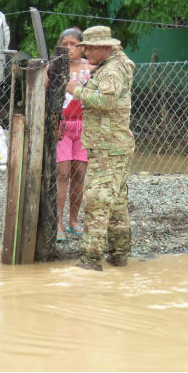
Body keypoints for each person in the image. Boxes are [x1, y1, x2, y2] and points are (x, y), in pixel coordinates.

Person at [65, 26, 135, 271]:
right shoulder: (119, 63)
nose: (86, 53)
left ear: (107, 47)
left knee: (96, 201)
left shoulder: (112, 70)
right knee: (116, 201)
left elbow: (106, 102)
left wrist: (77, 91)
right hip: (116, 145)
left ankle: (91, 260)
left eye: (91, 48)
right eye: (85, 48)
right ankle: (118, 256)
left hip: (107, 147)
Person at [53, 28, 92, 242]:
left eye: (73, 44)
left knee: (79, 171)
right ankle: (57, 221)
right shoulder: (56, 68)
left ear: (83, 47)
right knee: (62, 172)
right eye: (65, 44)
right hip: (62, 126)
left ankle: (73, 219)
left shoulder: (91, 67)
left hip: (84, 126)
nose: (69, 48)